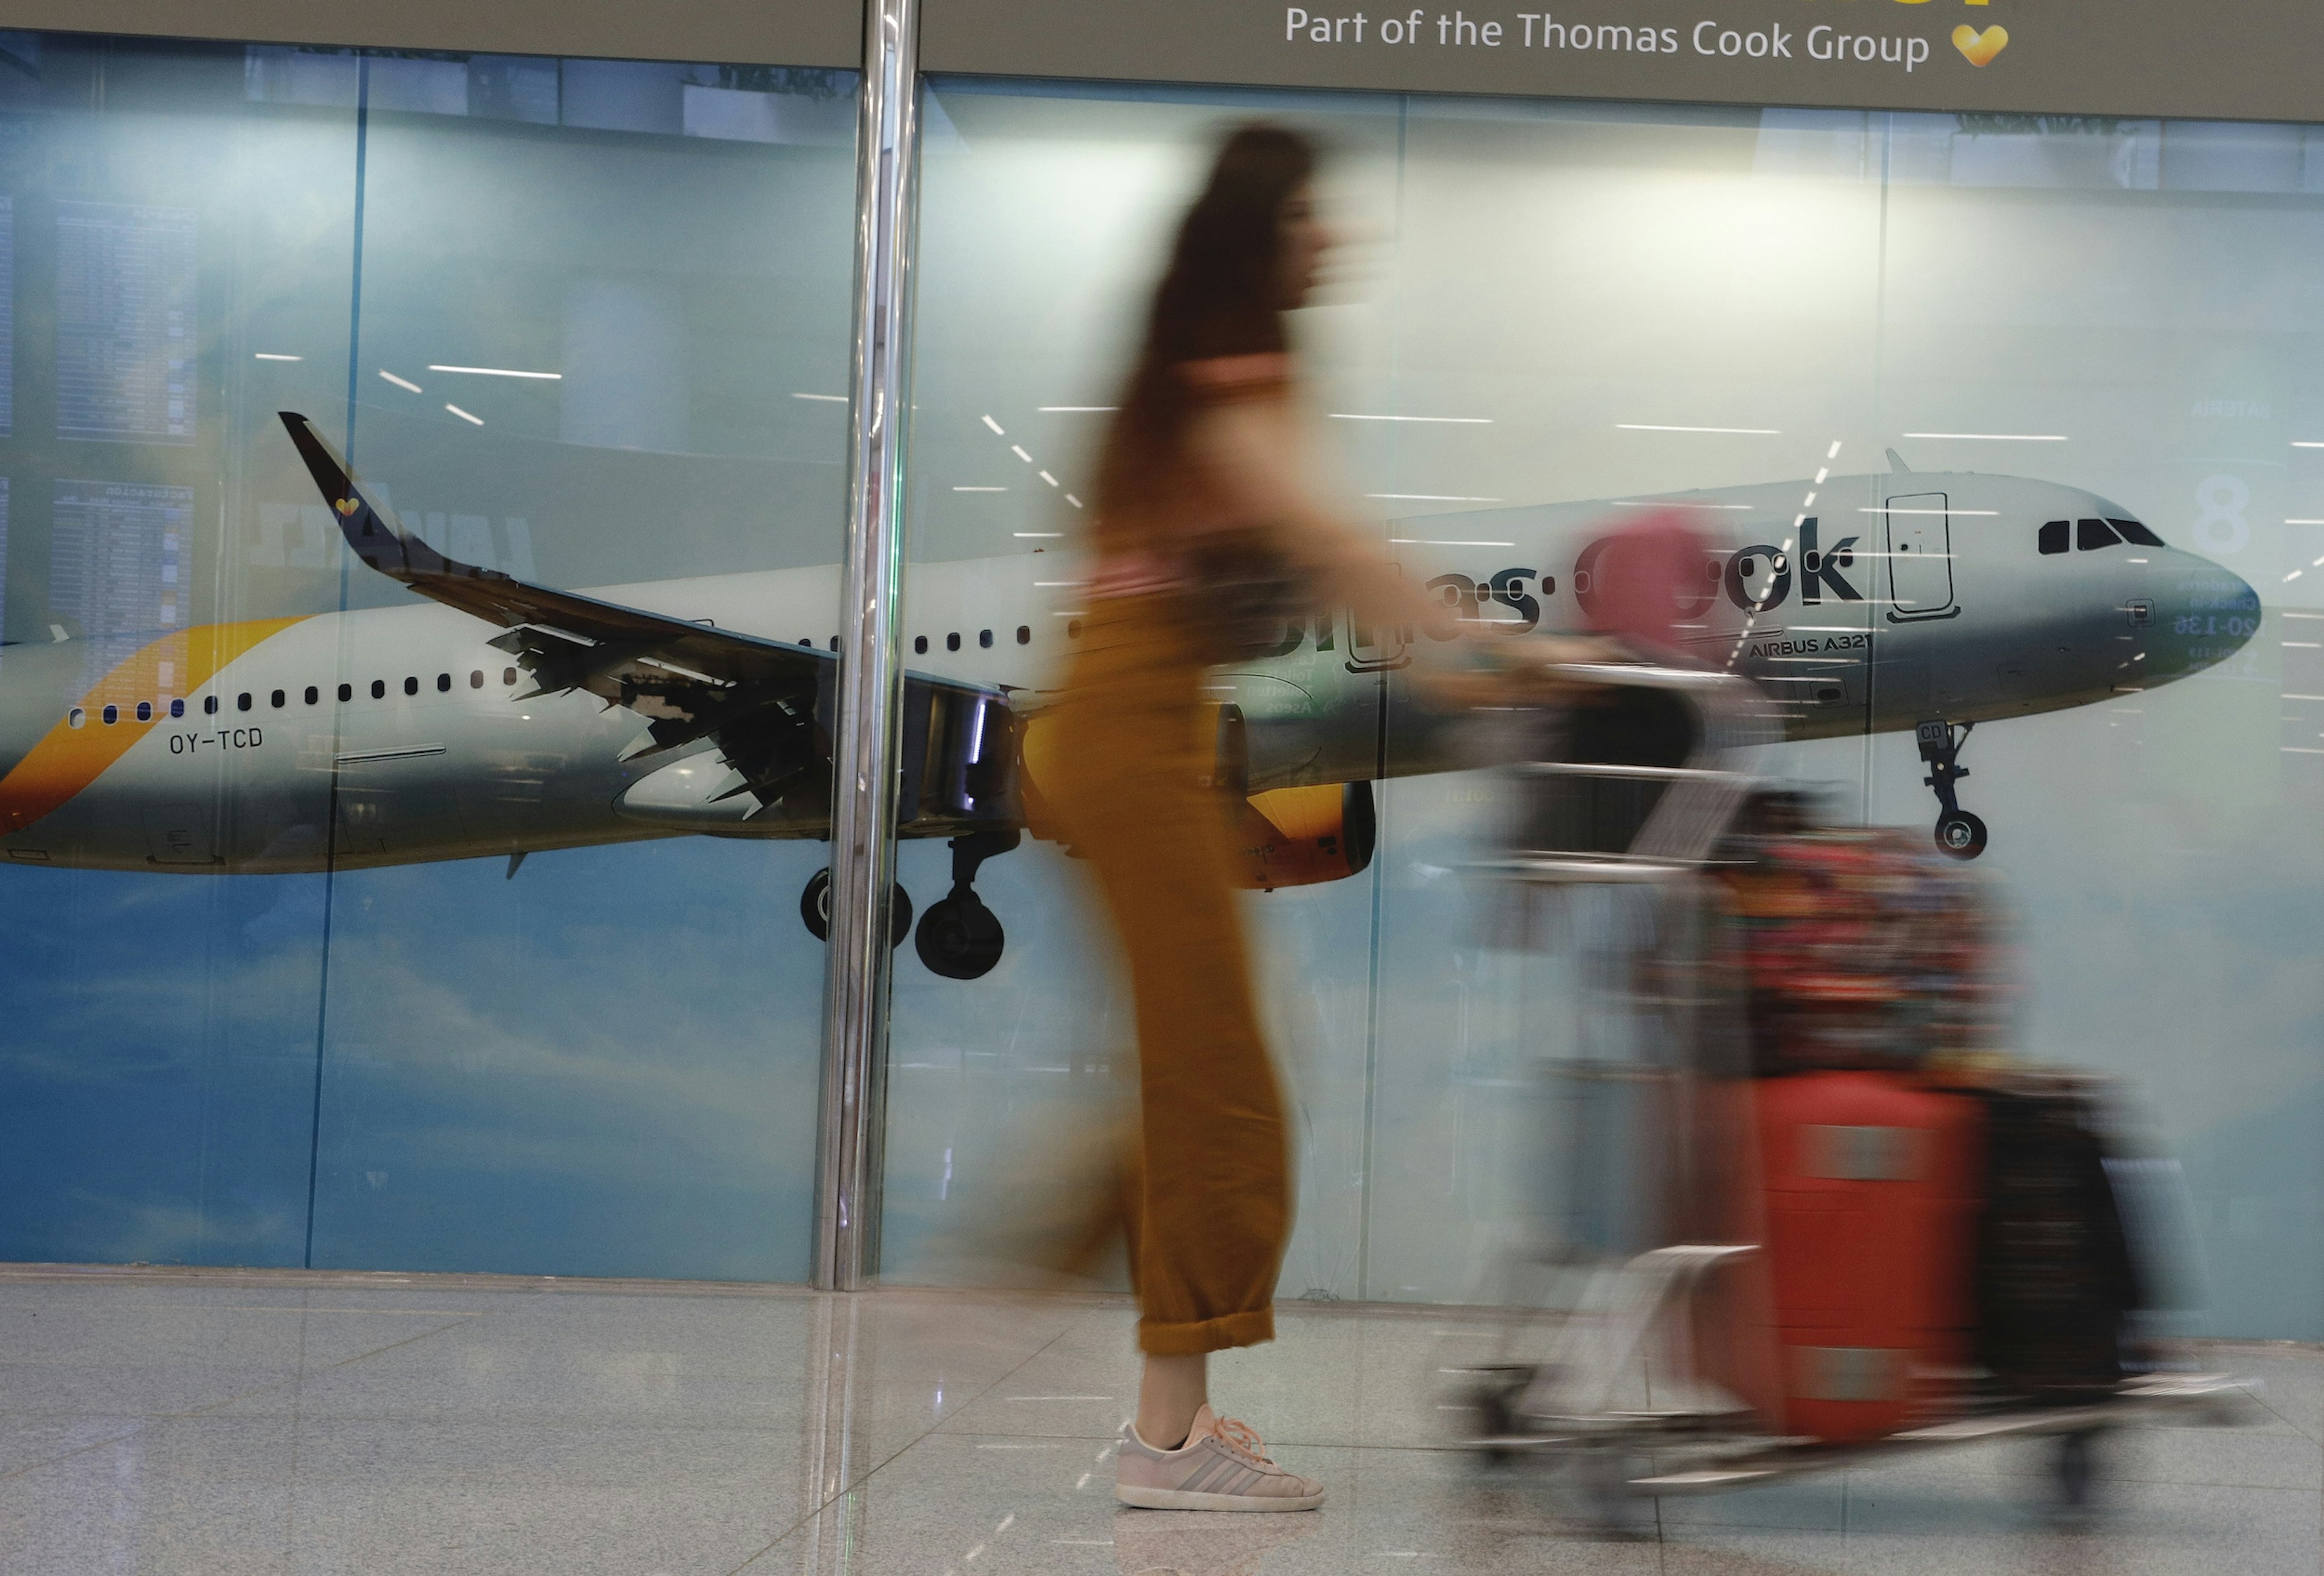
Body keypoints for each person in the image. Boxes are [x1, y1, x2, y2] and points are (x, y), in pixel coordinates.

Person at [1046, 122, 1497, 1513]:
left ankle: (1150, 1408)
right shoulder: (1224, 372)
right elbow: (1333, 539)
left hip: (1148, 729)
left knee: (1211, 1076)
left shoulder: (1218, 363)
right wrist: (1498, 655)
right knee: (1218, 1092)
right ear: (1263, 230)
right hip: (1128, 733)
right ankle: (1159, 1448)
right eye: (1313, 214)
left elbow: (1325, 544)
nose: (1336, 237)